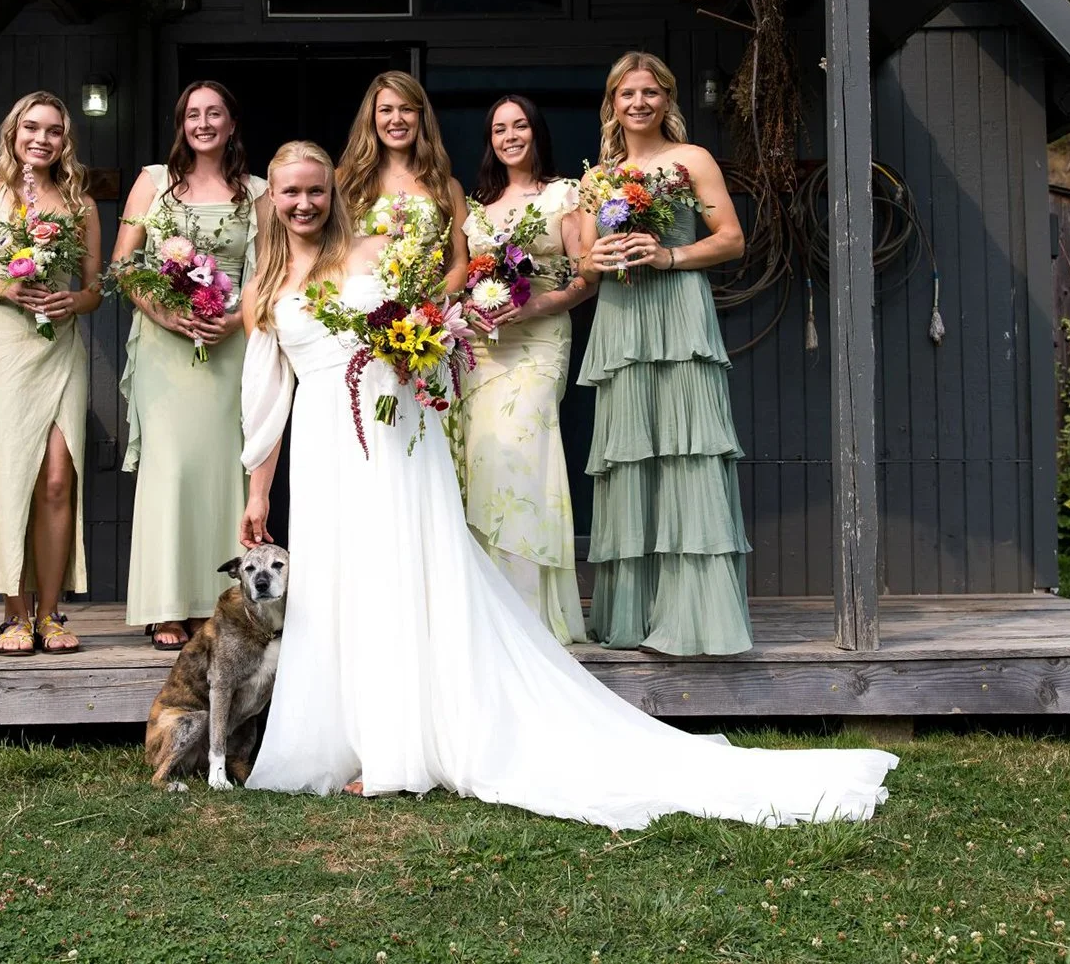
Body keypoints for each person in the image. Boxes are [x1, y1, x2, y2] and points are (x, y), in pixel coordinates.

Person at [235, 141, 896, 829]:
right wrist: (258, 494)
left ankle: (400, 748)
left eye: (316, 191)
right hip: (325, 447)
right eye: (291, 194)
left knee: (404, 578)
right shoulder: (264, 291)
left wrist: (415, 356)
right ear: (272, 203)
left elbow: (432, 333)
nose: (305, 204)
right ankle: (348, 736)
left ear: (333, 194)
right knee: (346, 586)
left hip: (397, 437)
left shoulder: (373, 253)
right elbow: (267, 400)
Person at [577, 51, 753, 657]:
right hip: (623, 318)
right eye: (627, 94)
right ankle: (632, 616)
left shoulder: (691, 160)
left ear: (667, 100)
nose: (638, 103)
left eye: (650, 92)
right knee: (631, 457)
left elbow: (731, 238)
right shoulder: (598, 177)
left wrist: (671, 255)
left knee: (685, 449)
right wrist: (592, 260)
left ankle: (693, 616)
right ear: (613, 103)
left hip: (678, 309)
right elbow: (583, 261)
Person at [115, 81, 267, 649]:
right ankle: (165, 604)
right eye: (193, 114)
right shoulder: (153, 184)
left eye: (215, 114)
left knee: (225, 467)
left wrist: (233, 321)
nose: (203, 123)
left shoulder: (256, 192)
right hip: (165, 344)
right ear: (182, 123)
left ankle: (221, 602)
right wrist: (164, 314)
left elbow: (267, 270)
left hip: (229, 341)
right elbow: (125, 265)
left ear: (231, 124)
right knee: (172, 468)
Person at [0, 91, 101, 655]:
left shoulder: (79, 203)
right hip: (3, 347)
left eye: (54, 131)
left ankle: (52, 612)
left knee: (58, 480)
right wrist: (5, 288)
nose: (42, 138)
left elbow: (95, 288)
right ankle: (14, 614)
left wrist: (75, 302)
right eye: (31, 127)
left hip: (60, 346)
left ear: (66, 141)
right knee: (8, 477)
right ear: (12, 132)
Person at [457, 95, 593, 643]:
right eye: (498, 128)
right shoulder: (476, 208)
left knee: (525, 455)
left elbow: (587, 279)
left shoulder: (566, 195)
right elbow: (462, 277)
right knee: (484, 457)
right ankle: (490, 608)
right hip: (483, 348)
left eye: (519, 126)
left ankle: (530, 608)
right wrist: (472, 309)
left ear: (536, 132)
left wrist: (532, 306)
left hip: (538, 339)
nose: (509, 135)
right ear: (490, 140)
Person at [336, 70, 468, 293]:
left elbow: (459, 264)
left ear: (421, 117)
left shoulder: (447, 186)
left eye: (406, 109)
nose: (396, 119)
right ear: (372, 117)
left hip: (426, 319)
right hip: (358, 315)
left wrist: (430, 310)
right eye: (386, 110)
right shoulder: (344, 180)